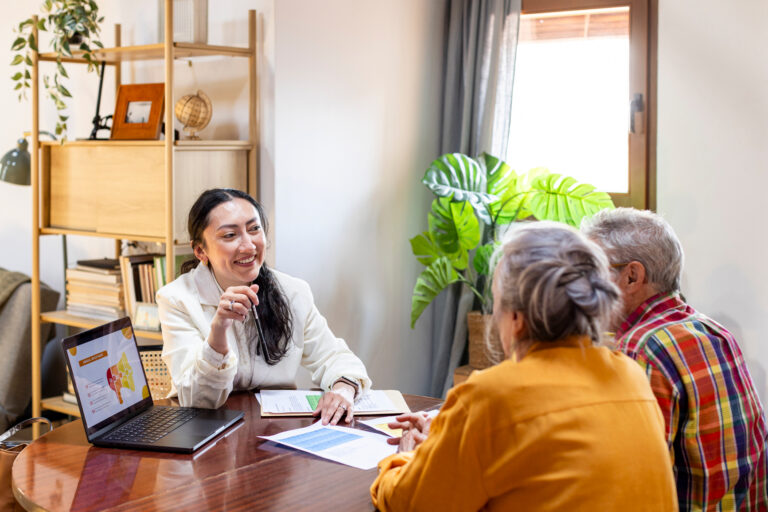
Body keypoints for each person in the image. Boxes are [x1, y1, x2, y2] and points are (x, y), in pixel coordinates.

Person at [370, 222, 677, 511]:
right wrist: (446, 441)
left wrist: (411, 454)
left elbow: (412, 503)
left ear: (516, 317)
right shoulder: (630, 374)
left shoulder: (491, 394)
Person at [582, 208, 767, 510]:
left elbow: (636, 484)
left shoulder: (641, 351)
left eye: (591, 272)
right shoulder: (714, 331)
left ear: (631, 276)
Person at [156, 188, 371, 425]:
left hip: (275, 433)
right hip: (207, 434)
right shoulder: (176, 299)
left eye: (254, 229)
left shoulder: (293, 291)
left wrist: (343, 388)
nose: (248, 246)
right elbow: (199, 401)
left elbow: (335, 357)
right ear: (200, 250)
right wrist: (218, 331)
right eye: (229, 235)